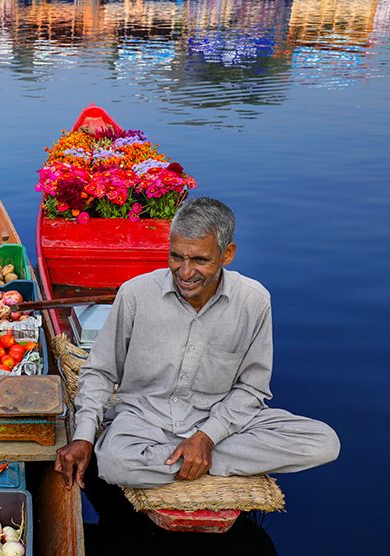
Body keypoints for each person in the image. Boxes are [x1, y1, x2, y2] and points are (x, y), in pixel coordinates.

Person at [55, 197, 339, 490]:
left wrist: (207, 437)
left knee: (324, 442)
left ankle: (189, 459)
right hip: (143, 423)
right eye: (177, 257)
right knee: (115, 463)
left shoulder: (254, 301)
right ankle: (198, 462)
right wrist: (84, 436)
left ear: (227, 254)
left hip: (219, 424)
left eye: (200, 260)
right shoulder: (136, 294)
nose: (186, 273)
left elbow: (252, 388)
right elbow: (101, 372)